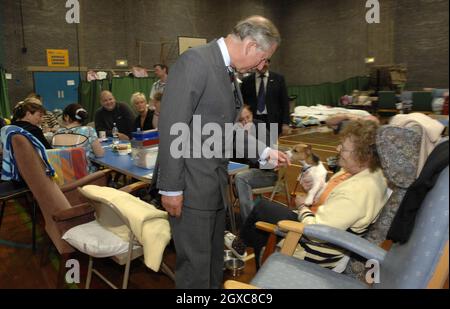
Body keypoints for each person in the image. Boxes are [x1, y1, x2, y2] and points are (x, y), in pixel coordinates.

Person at [156, 15, 289, 289]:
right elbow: (172, 126)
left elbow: (225, 130)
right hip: (190, 186)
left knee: (214, 262)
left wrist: (264, 151)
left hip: (213, 185)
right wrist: (170, 188)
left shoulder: (226, 72)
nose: (262, 66)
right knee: (196, 270)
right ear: (251, 45)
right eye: (263, 58)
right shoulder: (196, 62)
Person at [240, 120, 389, 269]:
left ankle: (243, 248)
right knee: (262, 215)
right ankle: (247, 250)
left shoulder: (357, 192)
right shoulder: (369, 174)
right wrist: (314, 191)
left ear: (363, 156)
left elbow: (316, 232)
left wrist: (303, 206)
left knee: (261, 211)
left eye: (343, 148)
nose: (338, 149)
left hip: (313, 250)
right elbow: (335, 204)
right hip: (321, 224)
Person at [234, 105, 278, 224]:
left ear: (252, 115)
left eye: (248, 117)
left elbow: (270, 163)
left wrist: (250, 140)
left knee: (241, 178)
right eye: (241, 120)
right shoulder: (235, 132)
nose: (245, 121)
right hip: (247, 171)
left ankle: (249, 223)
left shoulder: (261, 128)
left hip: (267, 174)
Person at [240, 59, 290, 136]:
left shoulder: (279, 79)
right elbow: (243, 103)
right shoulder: (246, 81)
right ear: (254, 64)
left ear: (269, 63)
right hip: (254, 121)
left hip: (274, 121)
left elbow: (285, 103)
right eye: (259, 62)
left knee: (273, 145)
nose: (262, 65)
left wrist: (285, 123)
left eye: (265, 62)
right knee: (255, 145)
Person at [56, 103, 104, 173]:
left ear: (66, 117)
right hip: (85, 178)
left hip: (64, 178)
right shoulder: (89, 130)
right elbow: (100, 154)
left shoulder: (57, 133)